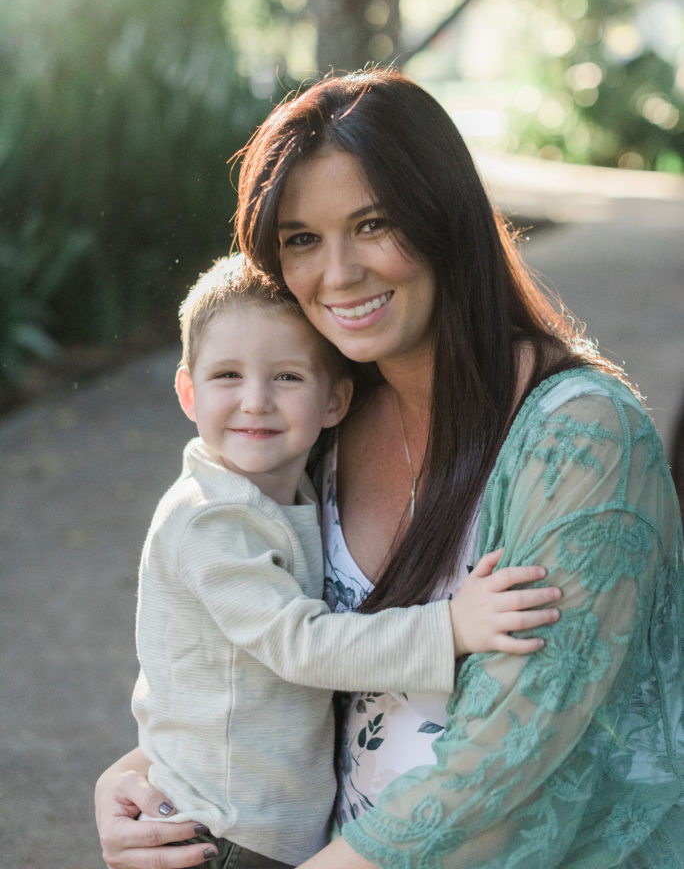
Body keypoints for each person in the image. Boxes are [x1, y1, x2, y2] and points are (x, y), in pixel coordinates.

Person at [95, 70, 683, 869]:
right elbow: (265, 663)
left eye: (373, 224)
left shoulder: (580, 439)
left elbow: (507, 759)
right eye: (301, 239)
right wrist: (138, 783)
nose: (336, 275)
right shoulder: (325, 425)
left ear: (446, 221)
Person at [127, 251, 560, 869]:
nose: (255, 401)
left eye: (287, 378)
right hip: (226, 830)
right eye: (227, 376)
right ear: (187, 392)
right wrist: (452, 628)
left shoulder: (287, 493)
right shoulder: (209, 519)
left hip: (262, 822)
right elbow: (303, 645)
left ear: (335, 402)